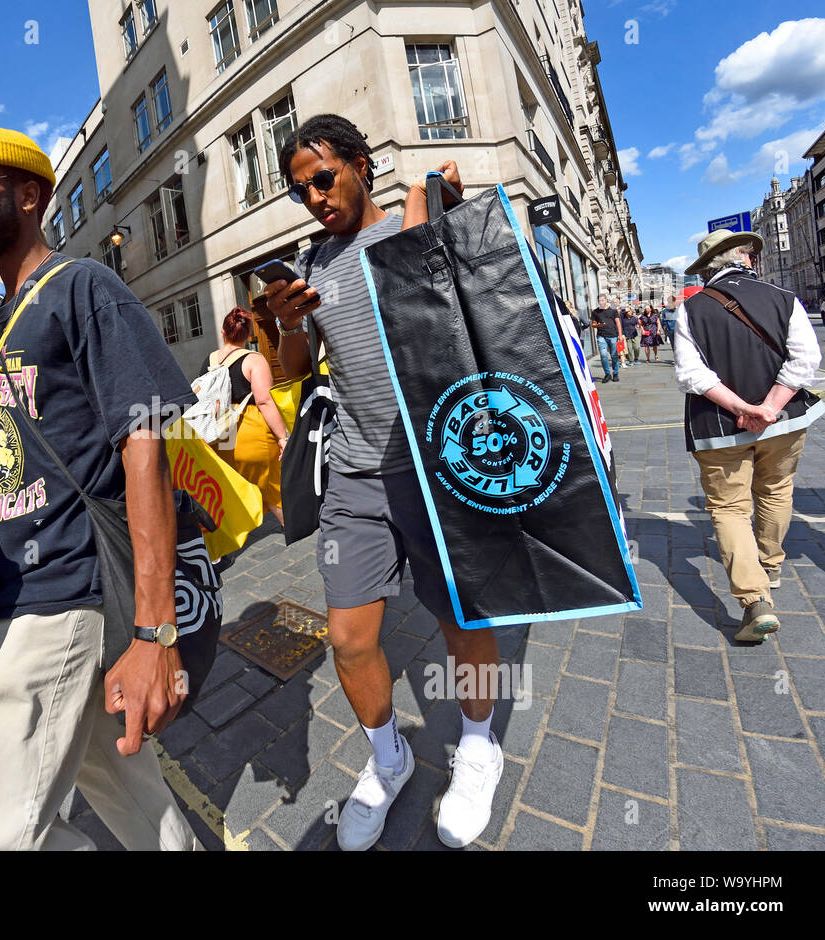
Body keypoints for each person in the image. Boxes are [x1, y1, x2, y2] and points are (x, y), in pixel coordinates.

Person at [0, 126, 200, 850]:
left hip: (68, 594)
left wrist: (154, 633)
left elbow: (145, 444)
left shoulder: (83, 286)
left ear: (28, 194)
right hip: (18, 598)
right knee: (135, 802)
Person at [263, 113, 503, 851]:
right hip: (355, 473)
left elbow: (480, 290)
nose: (315, 198)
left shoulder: (407, 226)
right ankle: (389, 758)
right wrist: (286, 324)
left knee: (462, 621)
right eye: (301, 189)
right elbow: (290, 375)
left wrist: (448, 202)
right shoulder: (311, 265)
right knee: (348, 637)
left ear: (361, 163)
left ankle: (478, 744)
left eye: (324, 178)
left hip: (432, 466)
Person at [674, 229, 825, 642]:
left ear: (708, 268)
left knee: (729, 508)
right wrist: (770, 408)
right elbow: (807, 359)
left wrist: (743, 409)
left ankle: (754, 600)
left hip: (721, 427)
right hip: (784, 420)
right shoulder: (784, 299)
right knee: (776, 489)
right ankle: (770, 566)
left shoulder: (692, 309)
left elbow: (692, 376)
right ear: (747, 259)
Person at [205, 308, 291, 525]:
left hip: (221, 430)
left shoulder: (210, 359)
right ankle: (290, 526)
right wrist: (282, 436)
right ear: (249, 334)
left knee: (233, 483)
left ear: (223, 332)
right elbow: (264, 400)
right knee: (273, 486)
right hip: (249, 427)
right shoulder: (254, 359)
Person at [589, 294, 622, 383]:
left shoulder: (613, 311)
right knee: (603, 355)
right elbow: (593, 324)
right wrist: (598, 325)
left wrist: (620, 335)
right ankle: (607, 374)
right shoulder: (595, 312)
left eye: (602, 300)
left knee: (614, 355)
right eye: (599, 301)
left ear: (606, 300)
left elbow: (618, 323)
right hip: (601, 336)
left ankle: (615, 373)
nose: (601, 302)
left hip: (613, 335)